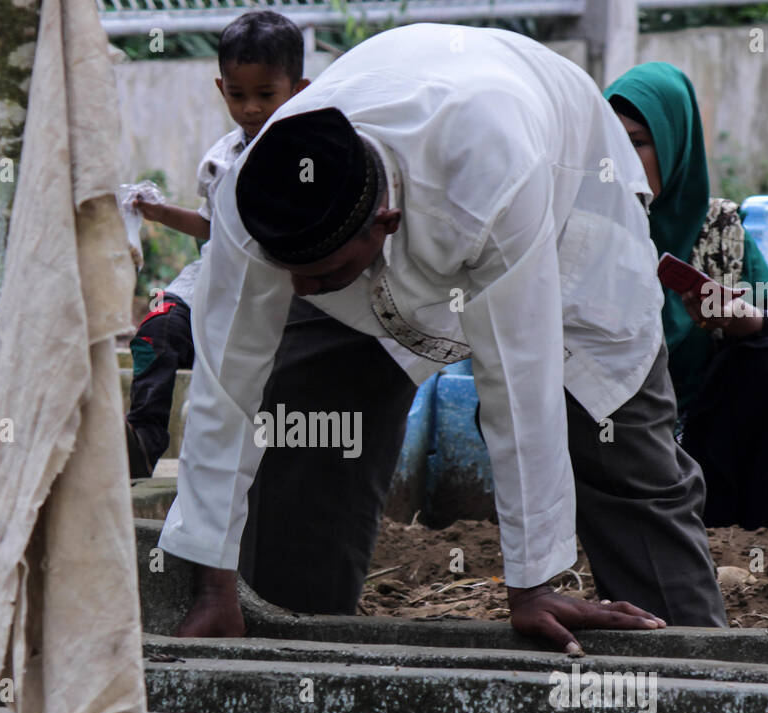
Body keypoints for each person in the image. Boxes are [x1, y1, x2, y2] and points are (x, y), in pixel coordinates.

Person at [159, 24, 727, 655]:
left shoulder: (493, 172)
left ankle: (697, 668)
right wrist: (214, 585)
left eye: (324, 275)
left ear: (387, 222)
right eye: (288, 271)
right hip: (400, 189)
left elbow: (520, 379)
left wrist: (532, 584)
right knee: (305, 413)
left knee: (616, 439)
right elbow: (223, 387)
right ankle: (297, 650)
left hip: (565, 195)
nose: (302, 287)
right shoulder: (255, 194)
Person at [605, 62, 768, 529]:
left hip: (698, 434)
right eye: (610, 143)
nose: (620, 160)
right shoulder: (585, 230)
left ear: (674, 145)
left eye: (638, 143)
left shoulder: (718, 227)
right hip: (609, 435)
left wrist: (743, 321)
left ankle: (745, 530)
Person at [124, 10, 309, 478]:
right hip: (211, 280)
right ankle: (144, 439)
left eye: (265, 95)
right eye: (238, 94)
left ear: (298, 90)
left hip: (271, 286)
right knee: (156, 329)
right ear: (220, 87)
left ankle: (267, 467)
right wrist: (158, 212)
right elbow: (212, 227)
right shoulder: (221, 159)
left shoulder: (308, 157)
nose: (250, 108)